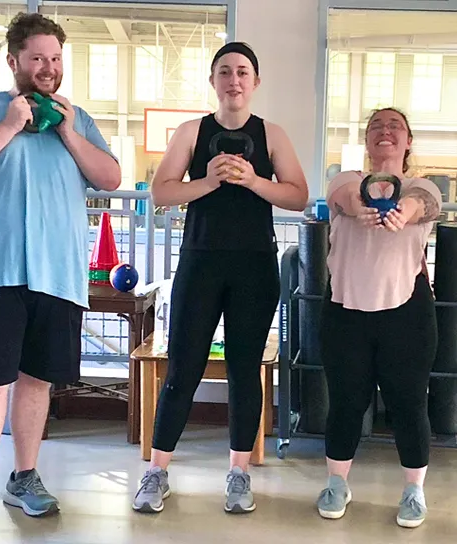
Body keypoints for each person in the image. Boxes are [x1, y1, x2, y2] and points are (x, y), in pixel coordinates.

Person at [0, 13, 120, 542]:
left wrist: (66, 130)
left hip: (57, 274)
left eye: (56, 59)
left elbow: (108, 177)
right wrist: (10, 124)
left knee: (38, 381)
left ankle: (24, 476)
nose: (48, 68)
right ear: (14, 60)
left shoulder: (76, 116)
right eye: (38, 58)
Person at [132, 41, 308, 515]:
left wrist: (252, 181)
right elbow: (161, 192)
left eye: (243, 72)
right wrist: (208, 180)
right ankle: (156, 471)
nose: (234, 80)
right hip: (200, 262)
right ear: (213, 81)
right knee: (183, 368)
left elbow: (298, 196)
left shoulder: (272, 135)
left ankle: (238, 472)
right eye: (225, 72)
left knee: (243, 371)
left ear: (254, 82)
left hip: (253, 265)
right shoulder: (192, 131)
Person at [313, 107, 441, 528]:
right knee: (346, 402)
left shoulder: (422, 186)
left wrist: (403, 209)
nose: (385, 132)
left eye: (395, 127)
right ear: (367, 141)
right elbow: (346, 197)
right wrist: (362, 205)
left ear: (408, 142)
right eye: (376, 127)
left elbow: (425, 203)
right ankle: (336, 483)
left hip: (407, 312)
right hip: (346, 310)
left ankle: (414, 491)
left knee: (408, 404)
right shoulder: (346, 180)